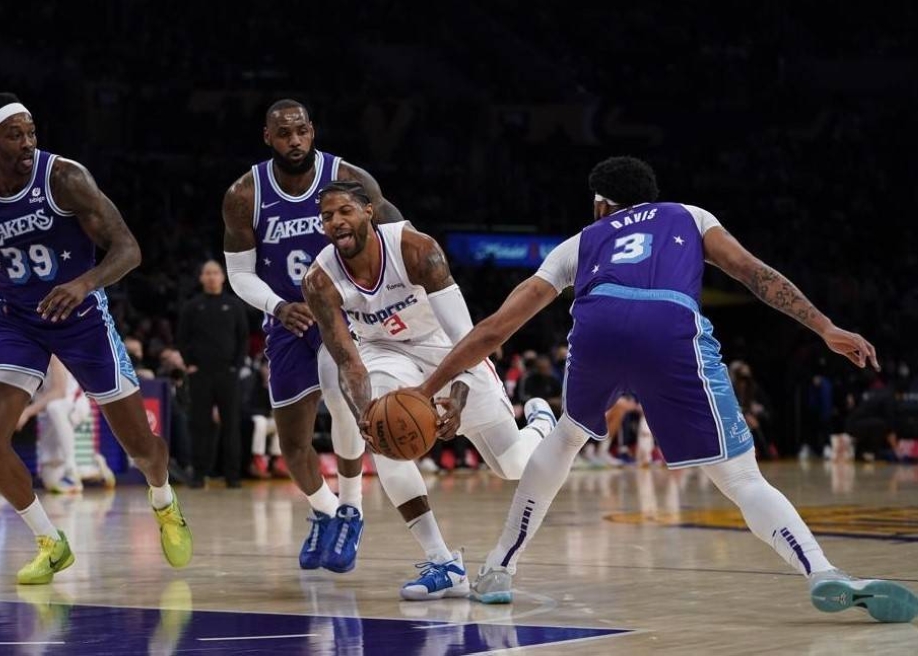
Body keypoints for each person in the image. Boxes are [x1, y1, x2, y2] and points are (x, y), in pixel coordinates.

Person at [412, 156, 917, 622]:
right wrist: (825, 326)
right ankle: (821, 571)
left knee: (565, 437)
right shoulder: (689, 215)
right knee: (740, 479)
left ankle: (499, 567)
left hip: (599, 322)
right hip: (668, 323)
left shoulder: (581, 241)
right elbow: (755, 275)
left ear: (600, 203)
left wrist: (426, 388)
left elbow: (496, 329)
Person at [0, 92, 192, 584]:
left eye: (31, 132)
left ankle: (163, 498)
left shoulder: (64, 177)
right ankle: (50, 541)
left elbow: (129, 249)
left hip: (83, 317)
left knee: (141, 447)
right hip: (19, 321)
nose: (27, 142)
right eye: (14, 135)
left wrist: (84, 282)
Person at [302, 180, 557, 600]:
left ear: (369, 211)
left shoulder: (417, 250)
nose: (335, 222)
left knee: (511, 466)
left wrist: (453, 397)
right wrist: (367, 413)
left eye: (344, 211)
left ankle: (538, 426)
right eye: (327, 216)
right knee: (384, 438)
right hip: (382, 350)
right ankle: (443, 562)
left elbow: (468, 336)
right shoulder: (319, 279)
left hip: (447, 347)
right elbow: (348, 359)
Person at [222, 99, 405, 573]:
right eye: (284, 134)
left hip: (342, 316)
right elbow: (240, 275)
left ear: (313, 130)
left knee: (340, 392)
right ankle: (325, 512)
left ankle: (352, 508)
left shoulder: (350, 179)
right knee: (293, 445)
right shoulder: (245, 194)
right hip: (286, 322)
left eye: (302, 131)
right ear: (268, 137)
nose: (295, 141)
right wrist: (278, 307)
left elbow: (401, 239)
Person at [176, 259, 249, 488]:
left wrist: (235, 366)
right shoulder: (192, 306)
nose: (211, 277)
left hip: (227, 373)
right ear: (201, 278)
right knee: (200, 424)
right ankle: (199, 474)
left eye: (215, 272)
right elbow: (182, 338)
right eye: (207, 273)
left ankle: (233, 476)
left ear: (223, 277)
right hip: (201, 374)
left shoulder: (234, 305)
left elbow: (243, 338)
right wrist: (189, 364)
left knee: (231, 425)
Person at [16, 355, 116, 493]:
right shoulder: (19, 361)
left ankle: (71, 471)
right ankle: (95, 468)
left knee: (55, 408)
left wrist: (26, 413)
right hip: (46, 413)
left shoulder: (51, 354)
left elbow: (59, 391)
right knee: (51, 482)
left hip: (72, 402)